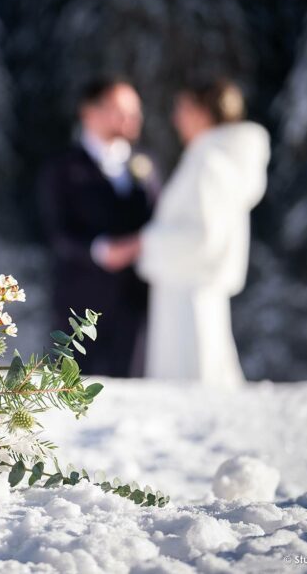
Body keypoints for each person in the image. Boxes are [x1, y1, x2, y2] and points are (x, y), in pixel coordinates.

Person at [100, 79, 270, 387]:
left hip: (189, 298)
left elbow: (203, 236)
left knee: (194, 384)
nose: (176, 118)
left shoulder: (209, 162)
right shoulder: (211, 158)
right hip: (189, 290)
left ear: (204, 113)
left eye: (184, 109)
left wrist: (144, 241)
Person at [38, 77, 155, 377]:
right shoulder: (63, 168)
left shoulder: (147, 166)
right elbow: (56, 232)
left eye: (135, 110)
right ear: (89, 112)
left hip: (136, 305)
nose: (131, 118)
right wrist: (102, 251)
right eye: (119, 109)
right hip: (80, 306)